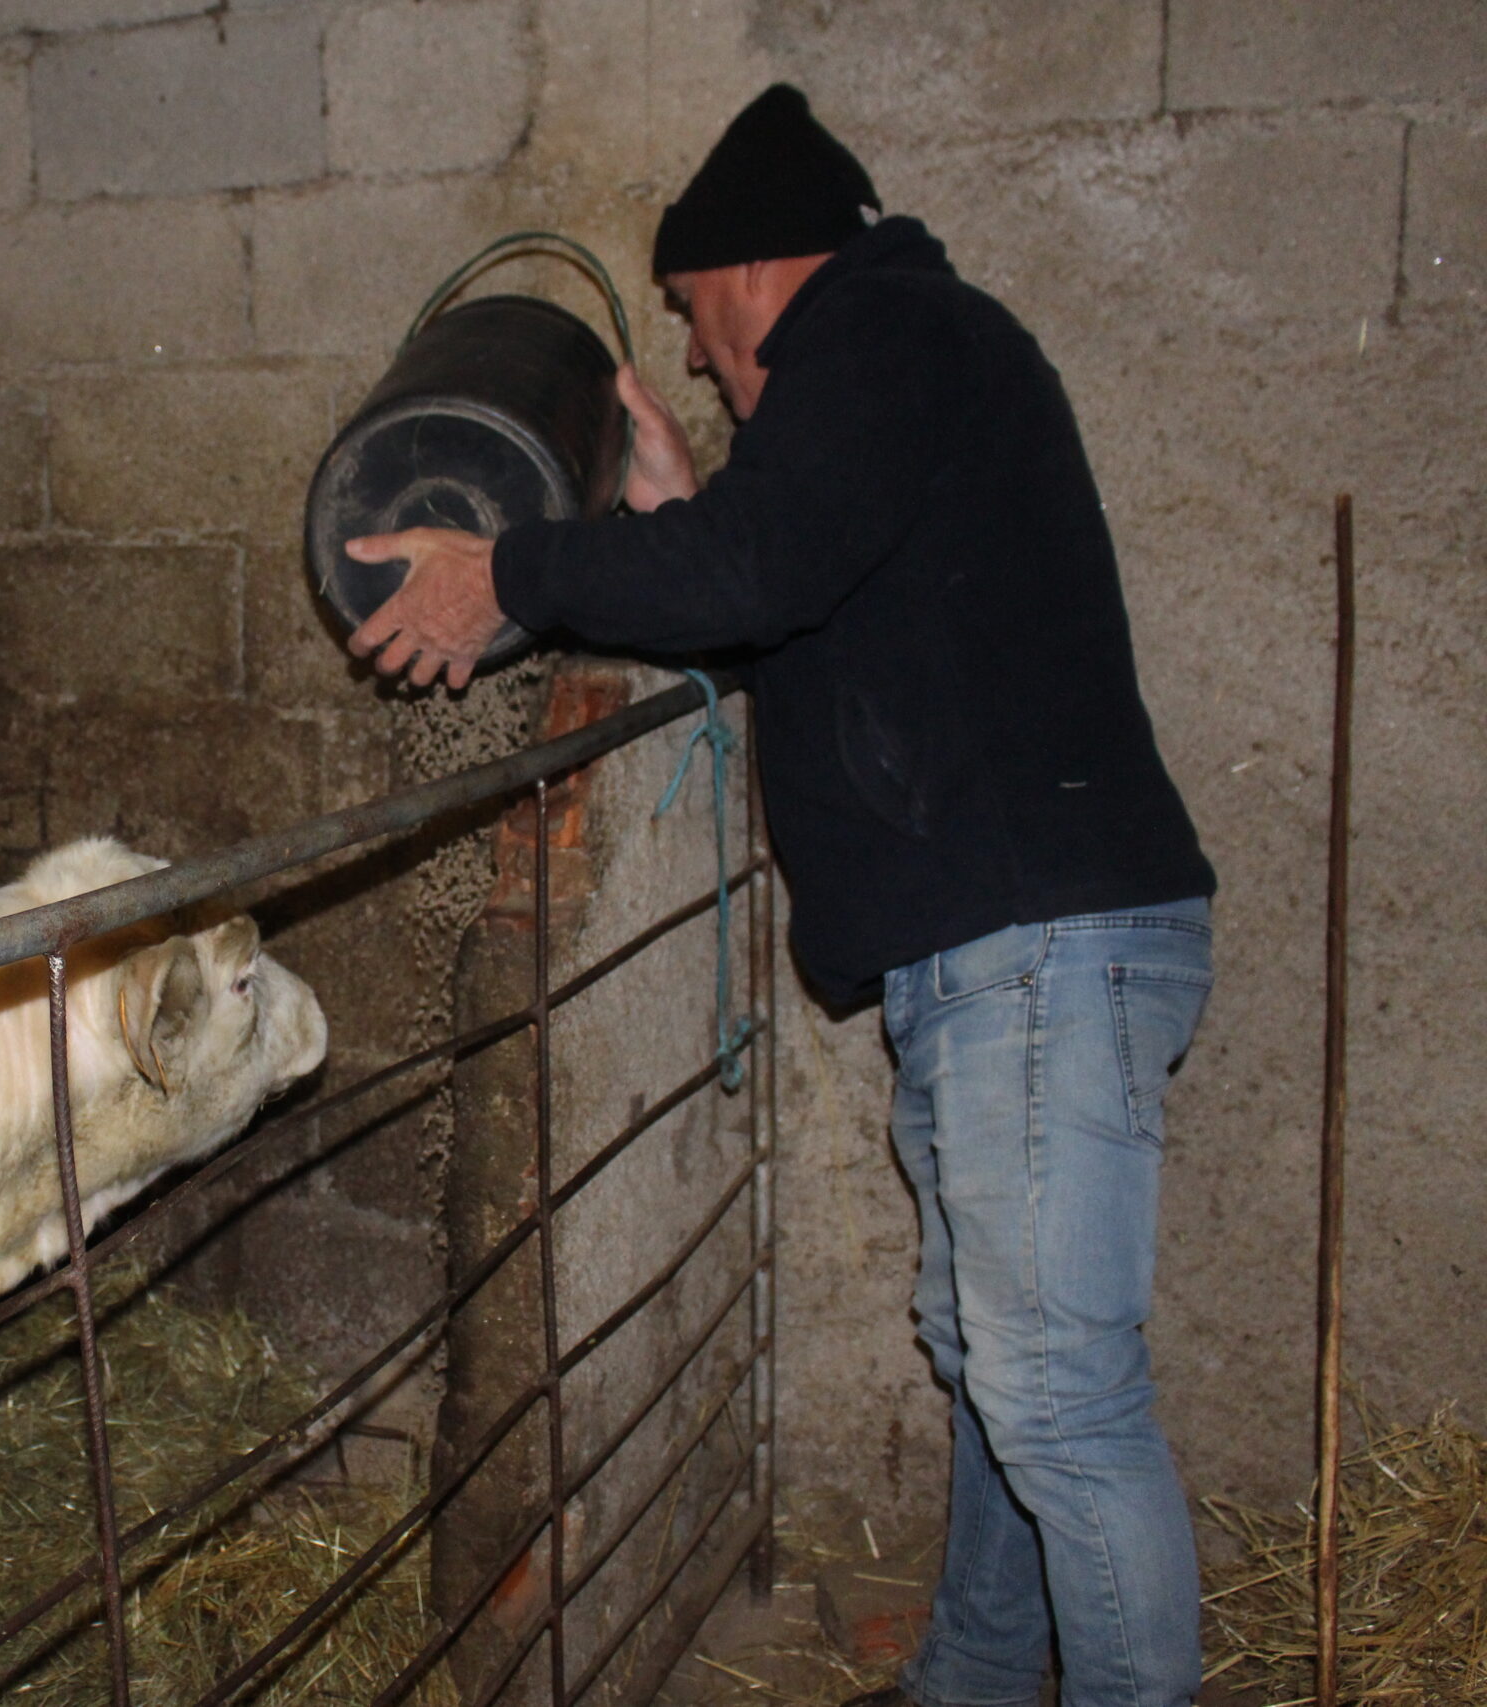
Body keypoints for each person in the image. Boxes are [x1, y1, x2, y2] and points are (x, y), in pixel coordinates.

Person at [345, 85, 1218, 1707]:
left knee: (1059, 1403)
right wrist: (682, 511)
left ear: (748, 269)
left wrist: (510, 571)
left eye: (684, 309)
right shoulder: (899, 372)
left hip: (1033, 945)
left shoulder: (890, 340)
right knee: (991, 1367)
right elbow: (784, 590)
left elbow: (766, 570)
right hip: (998, 950)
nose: (686, 349)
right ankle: (970, 1678)